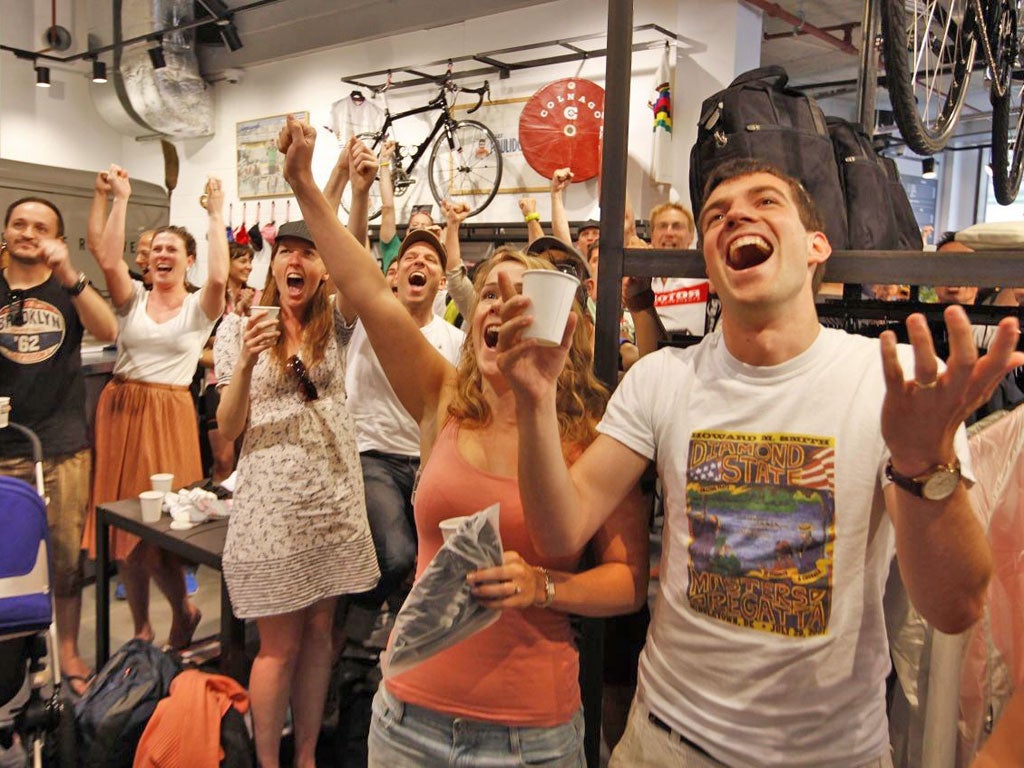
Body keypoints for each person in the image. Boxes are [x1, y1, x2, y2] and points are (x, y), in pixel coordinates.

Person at [498, 158, 1024, 767]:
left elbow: (955, 607)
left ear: (815, 247)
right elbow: (561, 529)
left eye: (766, 202)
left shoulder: (894, 381)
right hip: (663, 744)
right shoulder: (661, 379)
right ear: (710, 268)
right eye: (715, 216)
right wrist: (535, 404)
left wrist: (923, 462)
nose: (736, 216)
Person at [278, 118, 648, 768]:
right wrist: (307, 184)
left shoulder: (593, 431)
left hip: (530, 733)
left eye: (519, 292)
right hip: (407, 716)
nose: (498, 304)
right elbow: (365, 283)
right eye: (488, 290)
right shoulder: (444, 396)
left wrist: (545, 587)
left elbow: (627, 581)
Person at [214, 214, 379, 767]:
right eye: (286, 250)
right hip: (272, 507)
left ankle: (306, 755)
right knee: (278, 646)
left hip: (332, 496)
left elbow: (356, 256)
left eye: (309, 253)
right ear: (272, 263)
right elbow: (230, 426)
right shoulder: (240, 328)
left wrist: (357, 189)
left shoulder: (336, 323)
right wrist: (243, 364)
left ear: (323, 268)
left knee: (319, 633)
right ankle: (267, 761)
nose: (296, 261)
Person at [83, 165, 226, 651]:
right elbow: (104, 256)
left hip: (168, 416)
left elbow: (222, 276)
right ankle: (142, 628)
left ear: (189, 261)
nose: (163, 254)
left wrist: (215, 215)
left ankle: (183, 609)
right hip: (121, 409)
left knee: (159, 530)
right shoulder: (133, 300)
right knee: (123, 529)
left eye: (173, 249)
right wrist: (117, 197)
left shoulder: (198, 307)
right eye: (157, 248)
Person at [0, 197, 118, 695]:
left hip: (63, 447)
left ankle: (66, 648)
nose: (28, 232)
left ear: (57, 240)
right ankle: (14, 653)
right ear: (5, 232)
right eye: (18, 223)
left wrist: (69, 272)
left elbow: (109, 331)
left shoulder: (67, 286)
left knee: (66, 558)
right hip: (5, 446)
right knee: (7, 560)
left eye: (41, 227)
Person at [343, 227, 464, 645]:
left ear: (442, 283)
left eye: (430, 260)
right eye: (411, 256)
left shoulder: (456, 341)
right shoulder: (367, 322)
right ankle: (352, 623)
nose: (419, 263)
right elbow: (348, 261)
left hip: (430, 464)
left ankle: (395, 658)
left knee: (427, 568)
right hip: (372, 458)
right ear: (392, 275)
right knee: (397, 554)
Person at [648, 202, 710, 337]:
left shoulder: (708, 276)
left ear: (691, 236)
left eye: (677, 226)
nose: (669, 232)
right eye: (663, 226)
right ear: (652, 236)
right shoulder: (640, 281)